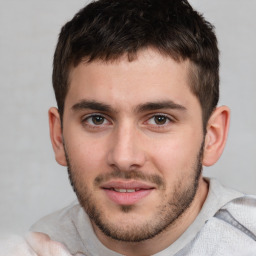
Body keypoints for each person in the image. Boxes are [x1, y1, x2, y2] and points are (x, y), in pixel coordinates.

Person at [2, 0, 256, 255]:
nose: (124, 158)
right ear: (58, 137)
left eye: (159, 119)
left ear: (212, 137)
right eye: (97, 119)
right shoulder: (33, 247)